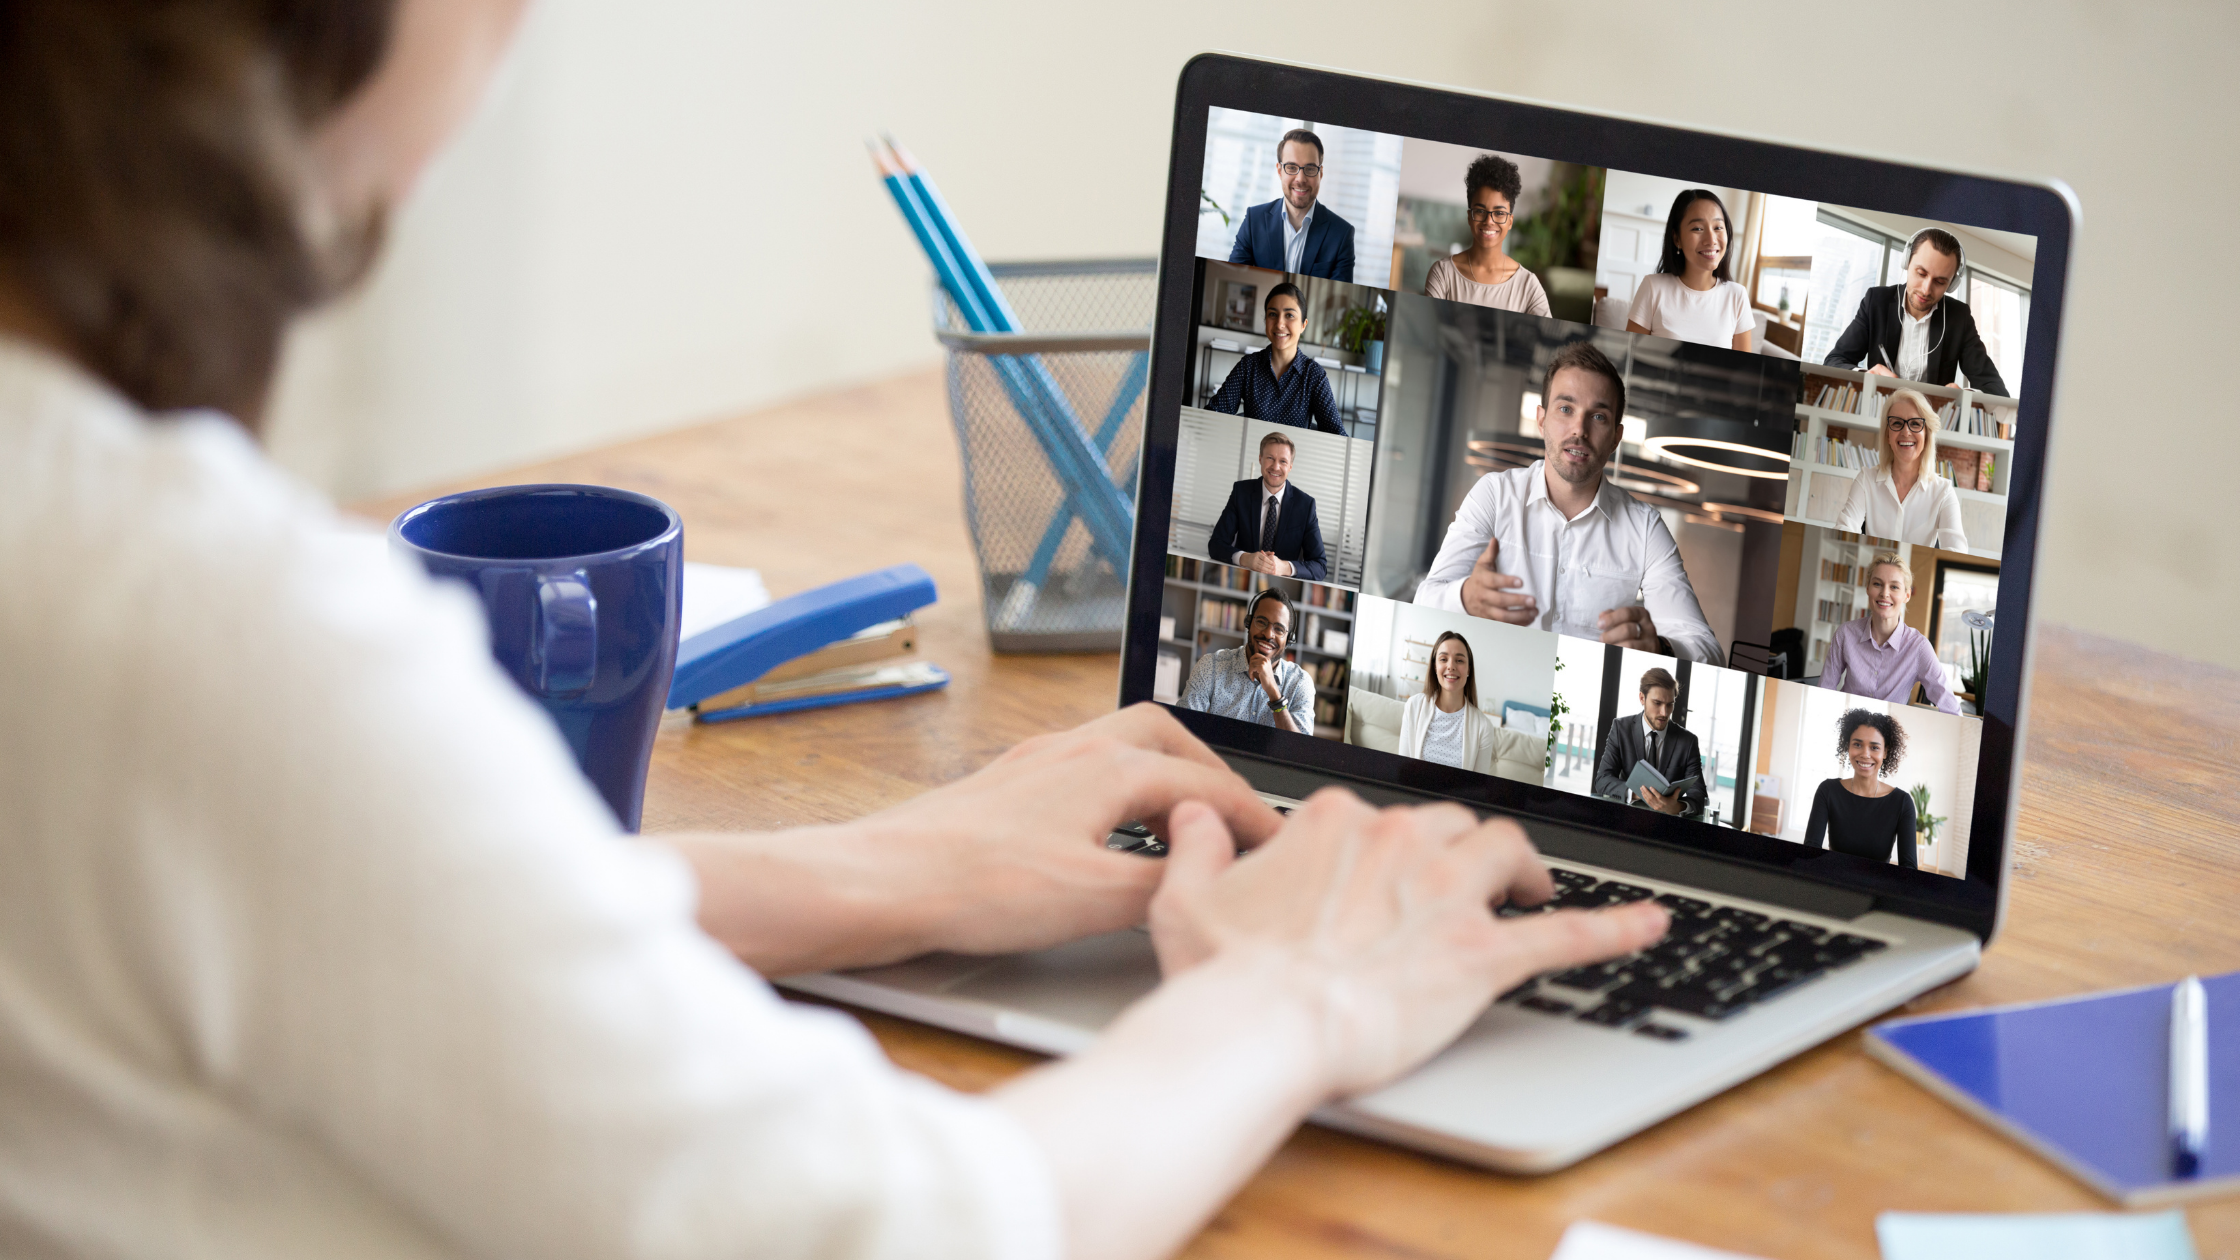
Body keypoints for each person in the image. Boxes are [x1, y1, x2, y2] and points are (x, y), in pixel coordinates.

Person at [0, 6, 1678, 1259]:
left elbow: (286, 910)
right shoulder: (193, 631)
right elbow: (906, 1230)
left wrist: (856, 875)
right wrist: (1297, 997)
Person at [1413, 341, 1724, 664]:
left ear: (1616, 437)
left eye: (1599, 417)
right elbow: (1424, 600)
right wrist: (1465, 599)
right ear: (1541, 419)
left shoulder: (1645, 527)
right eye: (1566, 409)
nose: (1579, 429)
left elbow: (1707, 649)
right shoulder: (1494, 494)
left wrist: (1661, 648)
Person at [1823, 228, 2009, 397]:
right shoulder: (1876, 301)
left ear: (1951, 284)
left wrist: (1964, 396)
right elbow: (1835, 361)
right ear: (1907, 262)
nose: (1926, 290)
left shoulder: (1959, 318)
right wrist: (1866, 375)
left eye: (1940, 282)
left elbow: (1995, 389)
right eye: (1921, 273)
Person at [1819, 556, 1962, 714]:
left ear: (1906, 595)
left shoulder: (1919, 647)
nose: (1884, 593)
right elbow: (1823, 692)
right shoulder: (1845, 634)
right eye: (1877, 584)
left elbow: (1952, 709)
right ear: (1867, 588)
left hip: (1890, 733)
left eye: (1894, 587)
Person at [1833, 388, 1969, 552]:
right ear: (1887, 435)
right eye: (1897, 423)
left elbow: (1957, 551)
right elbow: (1844, 529)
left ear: (1926, 436)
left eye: (1915, 424)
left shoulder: (1944, 492)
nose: (1906, 432)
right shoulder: (1865, 480)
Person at [1203, 281, 1346, 435]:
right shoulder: (1248, 366)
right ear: (1265, 320)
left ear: (1303, 325)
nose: (1279, 324)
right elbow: (1213, 415)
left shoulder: (1314, 376)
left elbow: (1337, 436)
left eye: (1289, 315)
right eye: (1272, 314)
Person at [1625, 189, 1754, 353]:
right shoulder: (1653, 287)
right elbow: (1630, 354)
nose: (1711, 240)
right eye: (1698, 229)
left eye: (1718, 227)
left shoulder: (1737, 296)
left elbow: (1742, 367)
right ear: (1677, 238)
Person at [1423, 154, 1552, 316]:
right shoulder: (1442, 274)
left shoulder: (1528, 285)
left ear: (1510, 221)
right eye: (1480, 211)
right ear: (1469, 216)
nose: (1489, 221)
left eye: (1499, 213)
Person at [1177, 589, 1317, 735]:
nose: (1269, 634)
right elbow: (1180, 729)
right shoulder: (1211, 666)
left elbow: (1300, 751)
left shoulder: (1300, 683)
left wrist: (1274, 694)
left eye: (1279, 629)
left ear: (1289, 639)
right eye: (1262, 622)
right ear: (1248, 623)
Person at [1226, 128, 1356, 282]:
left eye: (1310, 169)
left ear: (1320, 174)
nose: (1300, 178)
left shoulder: (1342, 234)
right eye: (1292, 168)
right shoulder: (1254, 220)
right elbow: (1233, 278)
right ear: (1280, 171)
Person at [1803, 710, 1919, 869]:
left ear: (1885, 752)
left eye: (1874, 747)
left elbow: (1909, 869)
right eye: (1857, 744)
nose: (1865, 754)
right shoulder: (1828, 791)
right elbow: (1810, 851)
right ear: (1848, 747)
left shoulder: (1902, 803)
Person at [1207, 430, 1327, 581]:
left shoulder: (1306, 505)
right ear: (1260, 459)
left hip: (1283, 585)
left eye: (1283, 461)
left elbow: (1320, 566)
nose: (1275, 467)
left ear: (1290, 466)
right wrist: (1245, 558)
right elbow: (1216, 544)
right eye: (1270, 458)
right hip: (1241, 578)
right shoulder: (1241, 492)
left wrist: (1284, 567)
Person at [1592, 668, 1708, 815]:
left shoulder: (1688, 741)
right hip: (1626, 816)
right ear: (1642, 698)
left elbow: (1699, 795)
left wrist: (1676, 807)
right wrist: (1638, 794)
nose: (1664, 713)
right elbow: (1603, 779)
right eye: (1657, 703)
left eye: (1669, 704)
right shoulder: (1621, 729)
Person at [1397, 631, 1500, 774]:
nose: (1451, 666)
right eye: (1444, 659)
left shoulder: (1483, 727)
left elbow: (1476, 787)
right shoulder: (1413, 706)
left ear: (1469, 669)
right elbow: (1403, 769)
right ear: (1435, 666)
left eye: (1459, 660)